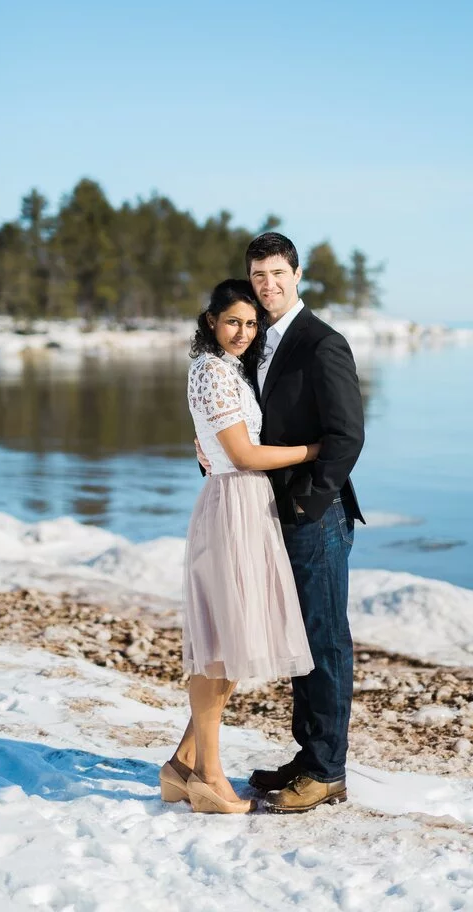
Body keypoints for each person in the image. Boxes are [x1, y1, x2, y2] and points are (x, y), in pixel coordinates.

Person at [204, 233, 366, 812]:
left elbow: (347, 437)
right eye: (257, 276)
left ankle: (328, 771)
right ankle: (308, 756)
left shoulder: (323, 343)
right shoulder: (255, 341)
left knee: (324, 641)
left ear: (298, 274)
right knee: (300, 642)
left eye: (277, 273)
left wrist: (311, 502)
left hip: (312, 517)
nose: (267, 285)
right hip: (266, 514)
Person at [159, 278, 318, 815]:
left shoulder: (227, 370)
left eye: (251, 324)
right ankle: (208, 777)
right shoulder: (210, 371)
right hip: (232, 506)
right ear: (210, 321)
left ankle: (182, 765)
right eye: (233, 322)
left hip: (245, 507)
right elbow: (244, 455)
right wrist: (313, 449)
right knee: (220, 647)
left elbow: (219, 443)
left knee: (228, 645)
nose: (243, 333)